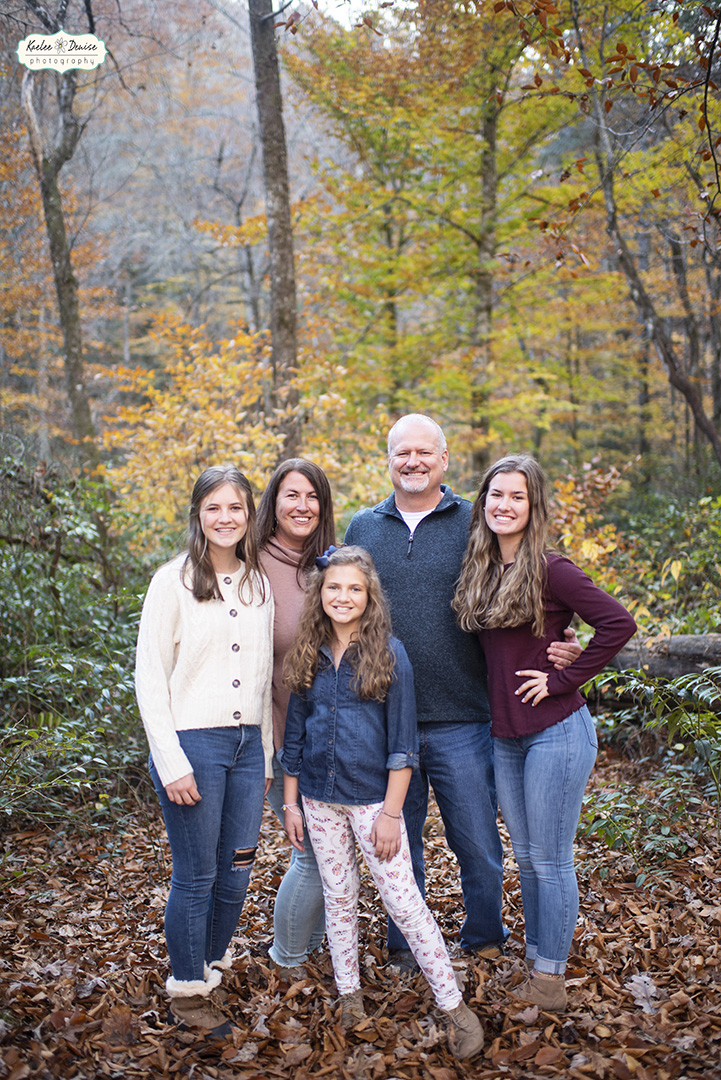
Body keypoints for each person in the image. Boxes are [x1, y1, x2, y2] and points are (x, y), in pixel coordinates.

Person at [345, 414, 581, 971]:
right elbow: (341, 605)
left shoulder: (474, 521)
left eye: (425, 452)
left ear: (444, 459)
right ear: (388, 459)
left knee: (476, 840)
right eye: (403, 452)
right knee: (399, 843)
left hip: (466, 716)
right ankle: (407, 943)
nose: (414, 462)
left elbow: (529, 578)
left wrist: (562, 639)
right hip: (388, 718)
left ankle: (485, 936)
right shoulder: (362, 527)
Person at [279, 545, 485, 1060]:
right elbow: (295, 735)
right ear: (320, 594)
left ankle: (454, 1006)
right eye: (333, 587)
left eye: (354, 588)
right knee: (339, 897)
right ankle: (349, 995)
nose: (343, 596)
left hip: (374, 803)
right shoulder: (308, 652)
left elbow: (403, 745)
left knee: (404, 902)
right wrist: (291, 803)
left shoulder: (390, 654)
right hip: (319, 800)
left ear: (370, 596)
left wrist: (393, 814)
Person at [453, 454, 636, 1010]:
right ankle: (538, 961)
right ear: (483, 502)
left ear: (534, 507)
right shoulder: (481, 568)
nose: (504, 505)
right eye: (496, 495)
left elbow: (618, 623)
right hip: (506, 737)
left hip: (557, 731)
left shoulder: (551, 568)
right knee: (528, 858)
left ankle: (550, 981)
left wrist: (564, 678)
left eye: (517, 497)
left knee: (551, 859)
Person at [135, 465, 274, 1036]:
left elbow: (262, 675)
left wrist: (265, 752)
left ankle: (211, 962)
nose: (225, 518)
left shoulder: (257, 582)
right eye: (213, 507)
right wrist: (170, 762)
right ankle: (189, 992)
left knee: (237, 871)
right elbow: (149, 677)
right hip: (193, 745)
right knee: (197, 875)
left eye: (235, 507)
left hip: (248, 749)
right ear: (198, 514)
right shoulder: (172, 581)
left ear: (249, 515)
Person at [256, 459, 336, 977]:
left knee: (330, 854)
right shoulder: (252, 565)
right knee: (311, 854)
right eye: (292, 495)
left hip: (334, 739)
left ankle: (308, 950)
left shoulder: (332, 565)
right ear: (274, 503)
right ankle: (287, 960)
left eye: (312, 496)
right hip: (282, 738)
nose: (302, 506)